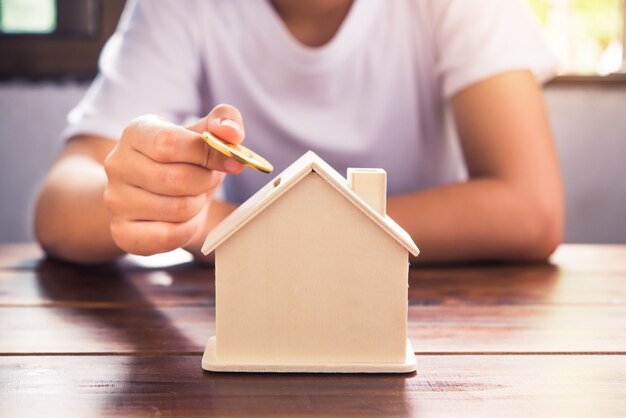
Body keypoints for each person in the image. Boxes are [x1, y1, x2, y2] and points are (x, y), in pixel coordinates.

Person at [34, 0, 564, 264]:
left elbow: (531, 208)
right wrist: (169, 204)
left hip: (426, 313)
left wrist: (245, 231)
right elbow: (60, 206)